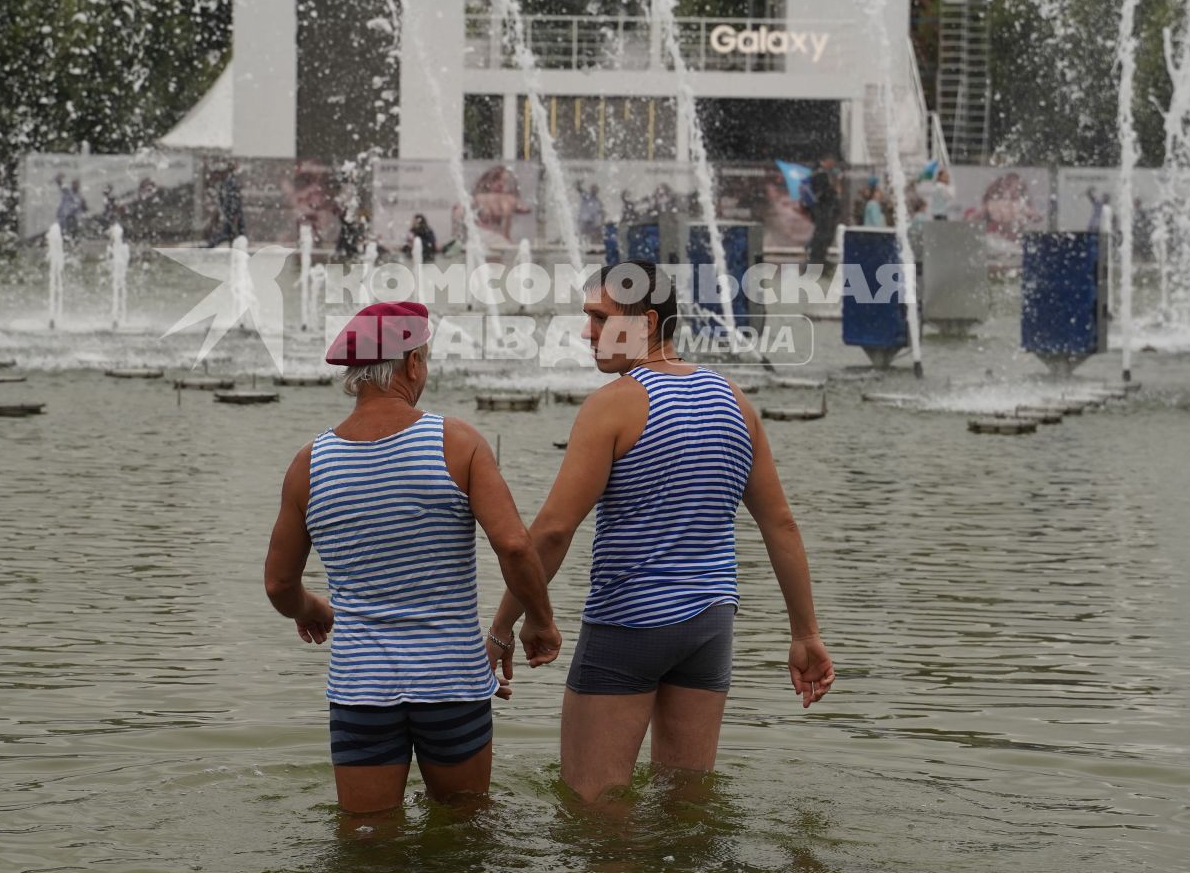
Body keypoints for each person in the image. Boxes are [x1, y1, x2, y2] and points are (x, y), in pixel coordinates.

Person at [486, 263, 835, 803]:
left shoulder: (615, 405)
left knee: (590, 808)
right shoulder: (734, 401)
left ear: (646, 322)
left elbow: (553, 531)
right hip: (710, 625)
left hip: (629, 622)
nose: (587, 333)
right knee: (686, 807)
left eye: (600, 319)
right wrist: (805, 634)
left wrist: (506, 625)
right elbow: (780, 524)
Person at [264, 301, 562, 815]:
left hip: (361, 688)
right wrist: (540, 619)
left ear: (356, 375)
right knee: (464, 832)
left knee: (366, 843)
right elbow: (514, 546)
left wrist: (311, 608)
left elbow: (277, 586)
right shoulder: (457, 443)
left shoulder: (309, 464)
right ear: (414, 364)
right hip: (451, 681)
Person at [806, 158, 841, 266]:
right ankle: (816, 257)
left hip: (822, 210)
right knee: (822, 233)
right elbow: (823, 193)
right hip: (822, 210)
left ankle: (819, 256)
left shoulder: (819, 173)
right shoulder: (820, 174)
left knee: (823, 233)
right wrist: (833, 188)